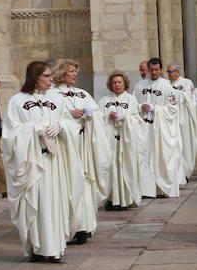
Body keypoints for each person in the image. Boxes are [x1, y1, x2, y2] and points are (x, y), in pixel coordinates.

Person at [2, 61, 83, 263]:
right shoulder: (18, 101)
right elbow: (9, 134)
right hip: (33, 163)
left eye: (50, 76)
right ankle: (39, 248)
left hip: (54, 161)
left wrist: (61, 125)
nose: (50, 79)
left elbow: (71, 124)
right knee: (38, 204)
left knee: (55, 203)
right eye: (46, 76)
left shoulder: (57, 98)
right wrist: (33, 130)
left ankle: (55, 248)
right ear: (34, 78)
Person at [54, 59, 108, 245]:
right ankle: (70, 226)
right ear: (61, 73)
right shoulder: (54, 94)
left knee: (85, 184)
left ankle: (84, 226)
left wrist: (90, 114)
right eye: (71, 71)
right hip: (67, 148)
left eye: (76, 71)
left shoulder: (83, 93)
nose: (75, 74)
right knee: (70, 184)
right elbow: (52, 118)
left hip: (83, 146)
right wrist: (70, 114)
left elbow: (97, 112)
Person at [135, 57, 183, 198]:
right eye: (152, 69)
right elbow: (133, 103)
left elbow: (173, 108)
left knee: (159, 157)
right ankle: (146, 189)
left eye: (157, 69)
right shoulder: (140, 85)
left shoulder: (167, 86)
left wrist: (156, 109)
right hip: (144, 127)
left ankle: (161, 188)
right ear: (148, 70)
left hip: (160, 128)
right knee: (144, 156)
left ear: (161, 70)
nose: (154, 72)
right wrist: (140, 106)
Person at [98, 70, 143, 209]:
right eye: (114, 83)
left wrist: (125, 117)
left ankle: (125, 200)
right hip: (109, 140)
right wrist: (107, 117)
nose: (117, 85)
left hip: (125, 140)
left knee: (124, 169)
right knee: (110, 169)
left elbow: (137, 119)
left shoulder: (131, 99)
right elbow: (98, 118)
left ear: (125, 84)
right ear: (110, 85)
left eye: (119, 82)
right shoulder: (104, 100)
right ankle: (111, 199)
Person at [167, 62, 197, 183]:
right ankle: (175, 173)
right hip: (171, 118)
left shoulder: (186, 82)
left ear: (177, 72)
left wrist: (174, 93)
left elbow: (189, 97)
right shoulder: (166, 83)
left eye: (170, 72)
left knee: (185, 145)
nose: (169, 74)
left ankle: (185, 171)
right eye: (168, 72)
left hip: (183, 118)